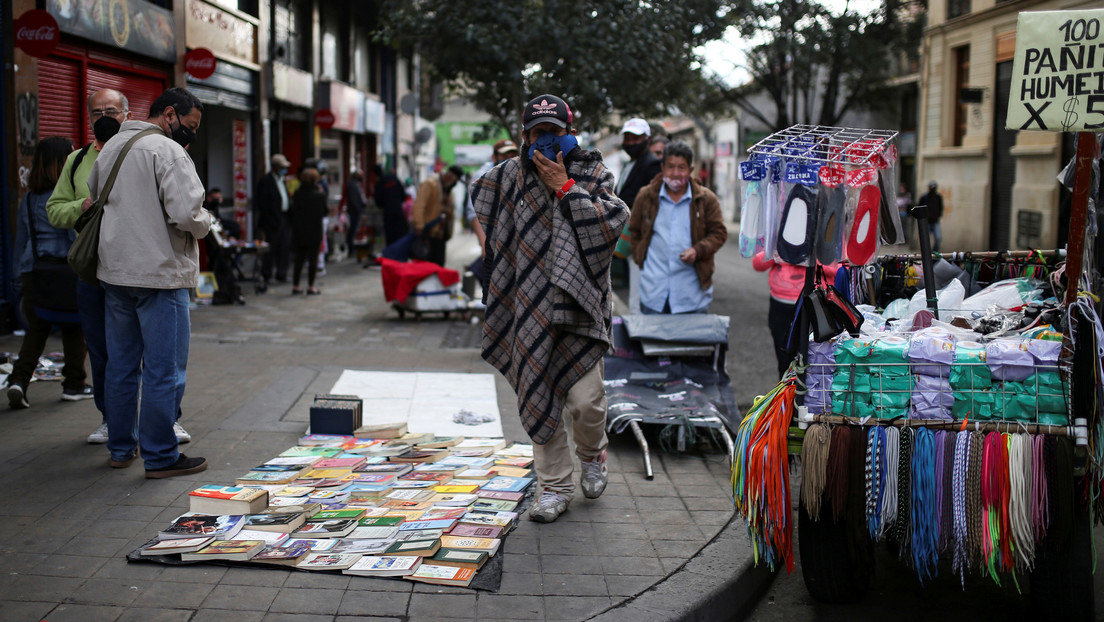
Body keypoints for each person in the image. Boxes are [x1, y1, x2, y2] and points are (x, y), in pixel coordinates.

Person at [471, 93, 629, 523]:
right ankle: (553, 487)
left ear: (569, 135)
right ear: (524, 136)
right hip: (527, 307)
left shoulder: (592, 173)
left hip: (578, 307)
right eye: (537, 133)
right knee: (539, 397)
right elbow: (479, 198)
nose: (544, 142)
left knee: (587, 402)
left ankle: (593, 454)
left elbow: (610, 226)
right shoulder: (508, 178)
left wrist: (564, 186)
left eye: (554, 134)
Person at [46, 89, 193, 445]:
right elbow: (55, 210)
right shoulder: (80, 158)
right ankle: (135, 436)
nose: (103, 117)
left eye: (109, 110)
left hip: (125, 268)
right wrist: (82, 207)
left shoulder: (127, 149)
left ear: (127, 114)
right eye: (96, 112)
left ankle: (138, 436)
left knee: (135, 361)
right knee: (118, 357)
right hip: (112, 269)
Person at [87, 87, 212, 478]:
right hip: (159, 274)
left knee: (121, 366)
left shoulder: (110, 147)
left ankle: (121, 448)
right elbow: (187, 214)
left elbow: (93, 195)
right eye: (189, 126)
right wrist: (208, 222)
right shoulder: (168, 151)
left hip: (115, 273)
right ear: (170, 114)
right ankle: (160, 456)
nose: (190, 135)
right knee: (164, 369)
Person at [8, 137, 89, 409]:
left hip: (34, 270)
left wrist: (18, 277)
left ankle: (18, 381)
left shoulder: (28, 199)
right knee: (74, 328)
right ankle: (74, 384)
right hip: (66, 270)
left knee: (36, 331)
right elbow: (72, 236)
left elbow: (21, 241)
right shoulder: (63, 198)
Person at [628, 140, 728, 314]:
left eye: (681, 168)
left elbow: (719, 233)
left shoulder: (706, 199)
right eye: (670, 167)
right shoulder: (646, 196)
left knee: (689, 341)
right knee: (653, 341)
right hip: (653, 292)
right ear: (662, 167)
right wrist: (640, 259)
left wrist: (698, 251)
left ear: (690, 170)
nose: (675, 173)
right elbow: (634, 231)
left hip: (690, 295)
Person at [752, 252, 839, 377]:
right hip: (781, 304)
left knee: (816, 359)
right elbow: (758, 264)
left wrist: (809, 258)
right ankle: (786, 392)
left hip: (816, 305)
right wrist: (784, 251)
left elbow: (842, 268)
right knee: (785, 360)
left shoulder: (826, 237)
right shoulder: (783, 238)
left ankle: (813, 394)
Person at [411, 164, 462, 266]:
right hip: (427, 233)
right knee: (425, 267)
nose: (454, 184)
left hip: (441, 236)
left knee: (438, 268)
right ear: (449, 176)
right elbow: (419, 205)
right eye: (454, 181)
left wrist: (449, 233)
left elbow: (450, 213)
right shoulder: (430, 184)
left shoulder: (449, 191)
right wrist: (419, 226)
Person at [255, 154, 292, 290]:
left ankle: (281, 273)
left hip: (284, 217)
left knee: (284, 247)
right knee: (270, 249)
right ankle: (267, 274)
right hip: (272, 220)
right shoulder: (266, 181)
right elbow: (263, 203)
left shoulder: (282, 180)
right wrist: (270, 220)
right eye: (282, 167)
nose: (284, 170)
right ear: (276, 167)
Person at [290, 167, 327, 295]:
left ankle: (296, 285)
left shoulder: (297, 194)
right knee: (313, 260)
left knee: (299, 259)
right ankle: (311, 286)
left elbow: (293, 212)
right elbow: (325, 211)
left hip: (299, 230)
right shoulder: (319, 195)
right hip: (314, 231)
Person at [616, 117, 662, 209]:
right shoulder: (628, 164)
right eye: (627, 139)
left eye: (636, 138)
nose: (630, 143)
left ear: (648, 139)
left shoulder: (652, 164)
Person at [373, 164, 409, 250]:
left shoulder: (379, 183)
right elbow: (403, 194)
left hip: (388, 213)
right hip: (398, 211)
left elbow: (378, 200)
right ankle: (399, 253)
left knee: (390, 235)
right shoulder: (394, 178)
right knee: (400, 234)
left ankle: (391, 255)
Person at [344, 170, 368, 260]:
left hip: (355, 211)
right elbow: (354, 200)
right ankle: (351, 249)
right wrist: (359, 210)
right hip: (354, 211)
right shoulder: (352, 185)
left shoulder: (356, 184)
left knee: (354, 230)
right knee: (352, 230)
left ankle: (352, 249)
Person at [918, 181, 944, 252]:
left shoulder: (938, 197)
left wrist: (938, 215)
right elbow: (919, 208)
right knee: (925, 240)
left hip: (935, 221)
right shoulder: (924, 198)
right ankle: (926, 252)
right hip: (927, 221)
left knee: (938, 238)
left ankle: (934, 252)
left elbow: (940, 208)